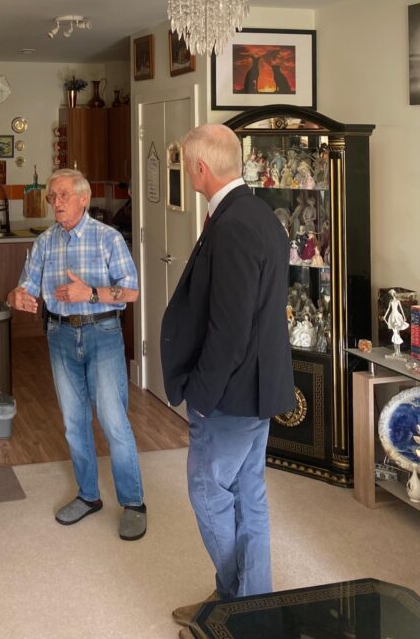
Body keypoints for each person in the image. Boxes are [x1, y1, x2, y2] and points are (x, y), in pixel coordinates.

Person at [160, 124, 294, 638]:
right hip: (258, 387)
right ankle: (251, 606)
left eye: (185, 166)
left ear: (199, 169)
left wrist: (201, 397)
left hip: (232, 393)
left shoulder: (234, 224)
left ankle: (236, 605)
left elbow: (230, 328)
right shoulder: (259, 213)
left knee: (208, 492)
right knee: (248, 494)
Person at [7, 168, 146, 541]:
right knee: (74, 422)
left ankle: (133, 503)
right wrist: (15, 297)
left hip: (102, 332)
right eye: (53, 196)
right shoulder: (45, 242)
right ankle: (88, 496)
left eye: (64, 194)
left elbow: (131, 291)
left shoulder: (108, 238)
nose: (57, 202)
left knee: (114, 421)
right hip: (59, 335)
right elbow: (25, 286)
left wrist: (93, 294)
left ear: (83, 199)